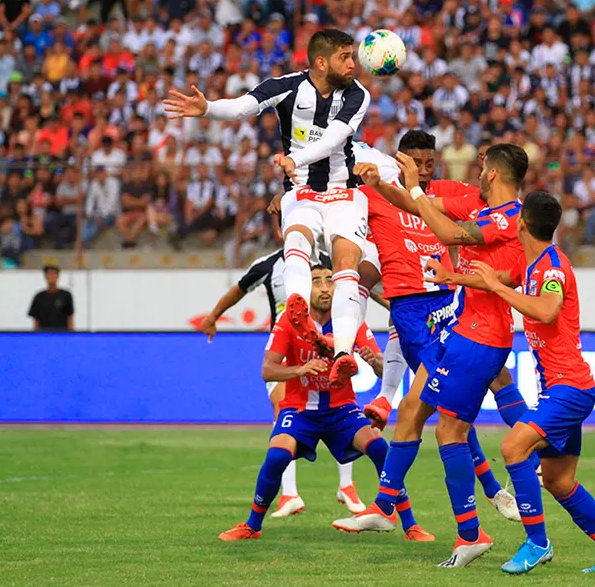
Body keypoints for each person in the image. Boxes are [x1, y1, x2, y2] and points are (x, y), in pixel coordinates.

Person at [337, 144, 529, 568]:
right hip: (461, 326)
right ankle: (392, 508)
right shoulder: (472, 202)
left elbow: (450, 235)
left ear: (493, 174)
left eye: (482, 168)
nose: (476, 173)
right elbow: (418, 203)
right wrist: (389, 185)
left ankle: (502, 491)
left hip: (479, 334)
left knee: (449, 428)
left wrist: (450, 272)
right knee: (413, 411)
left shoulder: (506, 215)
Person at [427, 191, 595, 574]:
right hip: (564, 388)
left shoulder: (552, 267)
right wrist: (453, 277)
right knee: (559, 481)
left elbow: (546, 307)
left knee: (512, 447)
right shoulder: (533, 263)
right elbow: (498, 278)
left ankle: (536, 543)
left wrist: (499, 289)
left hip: (569, 388)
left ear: (521, 222)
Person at [164, 28, 372, 386]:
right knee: (296, 244)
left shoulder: (358, 95)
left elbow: (337, 135)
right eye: (345, 57)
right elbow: (244, 105)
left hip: (343, 190)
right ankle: (299, 313)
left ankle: (341, 355)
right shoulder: (288, 86)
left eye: (352, 56)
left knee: (346, 264)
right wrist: (208, 109)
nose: (353, 63)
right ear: (321, 62)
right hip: (301, 189)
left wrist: (297, 157)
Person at [218, 264, 430, 541]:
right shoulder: (288, 321)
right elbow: (267, 370)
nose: (324, 288)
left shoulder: (352, 320)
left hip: (341, 410)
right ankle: (252, 525)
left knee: (379, 447)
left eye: (330, 281)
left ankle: (411, 525)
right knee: (277, 456)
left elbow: (383, 370)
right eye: (316, 281)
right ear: (305, 288)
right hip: (299, 409)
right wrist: (299, 370)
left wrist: (374, 360)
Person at [198, 249, 367, 518]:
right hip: (287, 349)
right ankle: (289, 493)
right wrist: (213, 315)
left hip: (332, 339)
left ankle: (346, 485)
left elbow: (363, 285)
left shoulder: (331, 256)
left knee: (339, 405)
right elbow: (240, 289)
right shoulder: (268, 264)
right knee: (283, 406)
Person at [28, 264, 74, 331]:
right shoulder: (39, 297)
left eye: (53, 274)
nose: (51, 276)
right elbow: (36, 319)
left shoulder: (66, 295)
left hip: (61, 333)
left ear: (58, 276)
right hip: (43, 334)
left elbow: (69, 317)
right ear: (45, 276)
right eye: (49, 274)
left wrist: (70, 334)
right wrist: (36, 335)